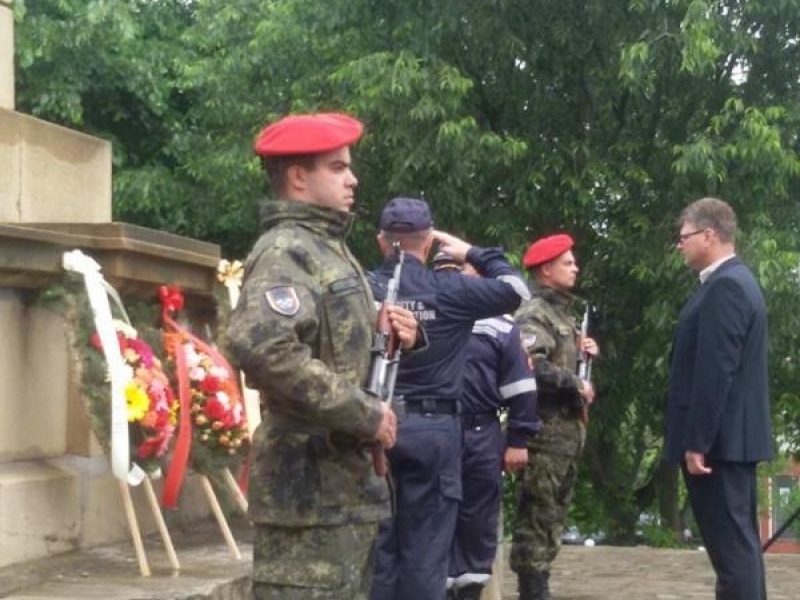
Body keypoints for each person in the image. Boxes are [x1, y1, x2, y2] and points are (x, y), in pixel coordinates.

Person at [226, 112, 422, 600]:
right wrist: (364, 413)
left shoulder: (326, 248)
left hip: (342, 493)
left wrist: (384, 331)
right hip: (307, 498)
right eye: (337, 167)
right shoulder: (286, 250)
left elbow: (328, 346)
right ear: (298, 177)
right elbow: (264, 348)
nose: (352, 179)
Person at [368, 197, 530, 600]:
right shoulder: (453, 289)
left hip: (373, 422)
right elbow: (516, 290)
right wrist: (470, 251)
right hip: (435, 430)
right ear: (429, 242)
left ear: (381, 242)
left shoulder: (362, 286)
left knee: (380, 551)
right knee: (427, 552)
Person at [665, 197, 773, 600]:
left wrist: (698, 441)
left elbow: (715, 373)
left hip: (719, 445)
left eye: (684, 236)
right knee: (741, 551)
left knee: (732, 555)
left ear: (709, 235)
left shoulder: (726, 286)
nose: (680, 245)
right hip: (730, 441)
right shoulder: (736, 281)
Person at [432, 253, 540, 600]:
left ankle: (471, 592)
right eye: (442, 272)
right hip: (434, 427)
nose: (451, 279)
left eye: (459, 271)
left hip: (481, 433)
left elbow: (521, 387)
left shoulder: (500, 325)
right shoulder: (420, 314)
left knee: (477, 521)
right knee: (432, 514)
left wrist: (518, 440)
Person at [509, 233, 599, 600]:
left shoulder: (562, 314)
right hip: (543, 436)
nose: (575, 267)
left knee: (552, 521)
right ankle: (533, 592)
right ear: (546, 269)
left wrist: (583, 353)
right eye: (568, 262)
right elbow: (531, 365)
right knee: (537, 521)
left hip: (564, 437)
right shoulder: (535, 312)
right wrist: (574, 382)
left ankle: (538, 587)